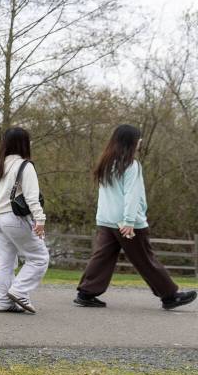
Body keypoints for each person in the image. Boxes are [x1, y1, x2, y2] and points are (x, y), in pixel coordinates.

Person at [74, 124, 196, 310]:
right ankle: (170, 295)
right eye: (138, 139)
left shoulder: (106, 163)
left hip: (107, 220)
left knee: (102, 256)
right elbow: (131, 195)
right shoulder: (131, 165)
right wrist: (130, 221)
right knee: (145, 258)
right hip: (126, 222)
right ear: (130, 142)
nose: (140, 142)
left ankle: (86, 293)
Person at [0, 127, 49, 314]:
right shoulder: (25, 166)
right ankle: (19, 291)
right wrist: (40, 219)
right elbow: (32, 197)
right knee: (39, 258)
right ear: (24, 143)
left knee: (5, 262)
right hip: (14, 218)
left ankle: (2, 302)